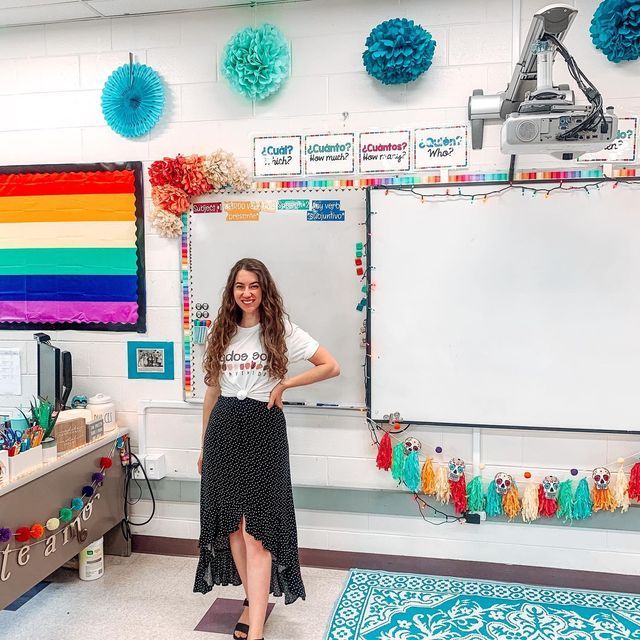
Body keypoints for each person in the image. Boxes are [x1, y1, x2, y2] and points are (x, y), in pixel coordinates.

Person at [194, 258, 340, 640]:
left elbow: (330, 366)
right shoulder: (220, 332)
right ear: (232, 291)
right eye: (240, 286)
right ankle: (252, 600)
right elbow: (212, 392)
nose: (247, 293)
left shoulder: (281, 330)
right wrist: (203, 446)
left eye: (254, 286)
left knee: (256, 530)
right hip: (224, 428)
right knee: (232, 529)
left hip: (263, 428)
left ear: (264, 290)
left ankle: (255, 626)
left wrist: (285, 385)